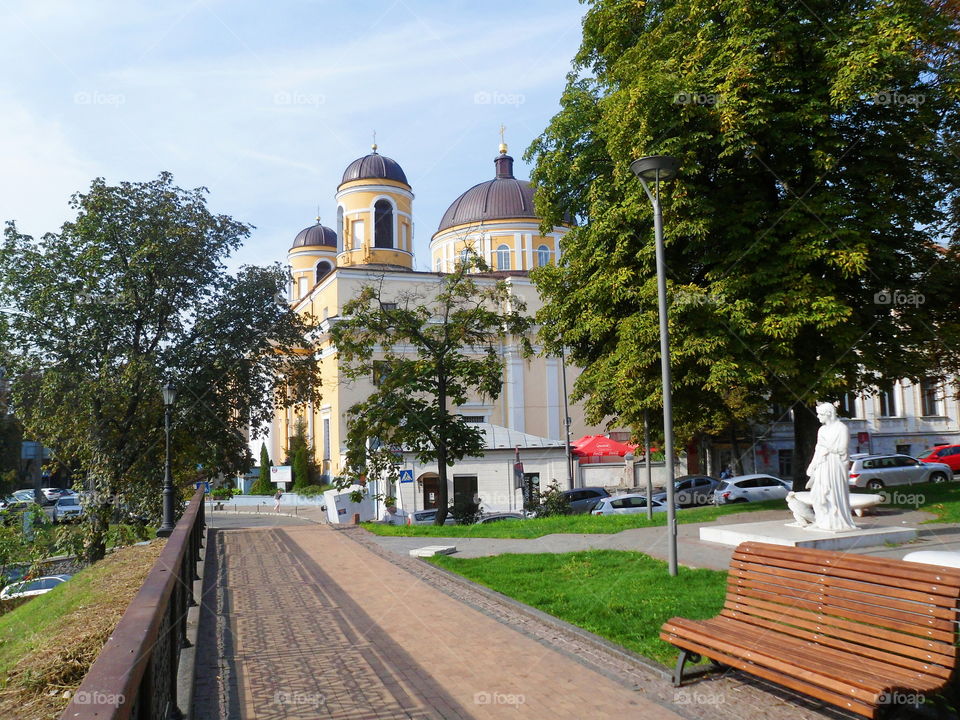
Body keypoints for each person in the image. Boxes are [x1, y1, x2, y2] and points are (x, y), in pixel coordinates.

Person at [805, 402, 857, 531]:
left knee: (833, 493)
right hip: (822, 464)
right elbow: (818, 449)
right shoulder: (822, 429)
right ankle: (822, 519)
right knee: (817, 494)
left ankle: (835, 521)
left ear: (828, 414)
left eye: (820, 414)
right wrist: (812, 465)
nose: (818, 417)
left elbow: (842, 449)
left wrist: (826, 447)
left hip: (835, 465)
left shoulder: (841, 428)